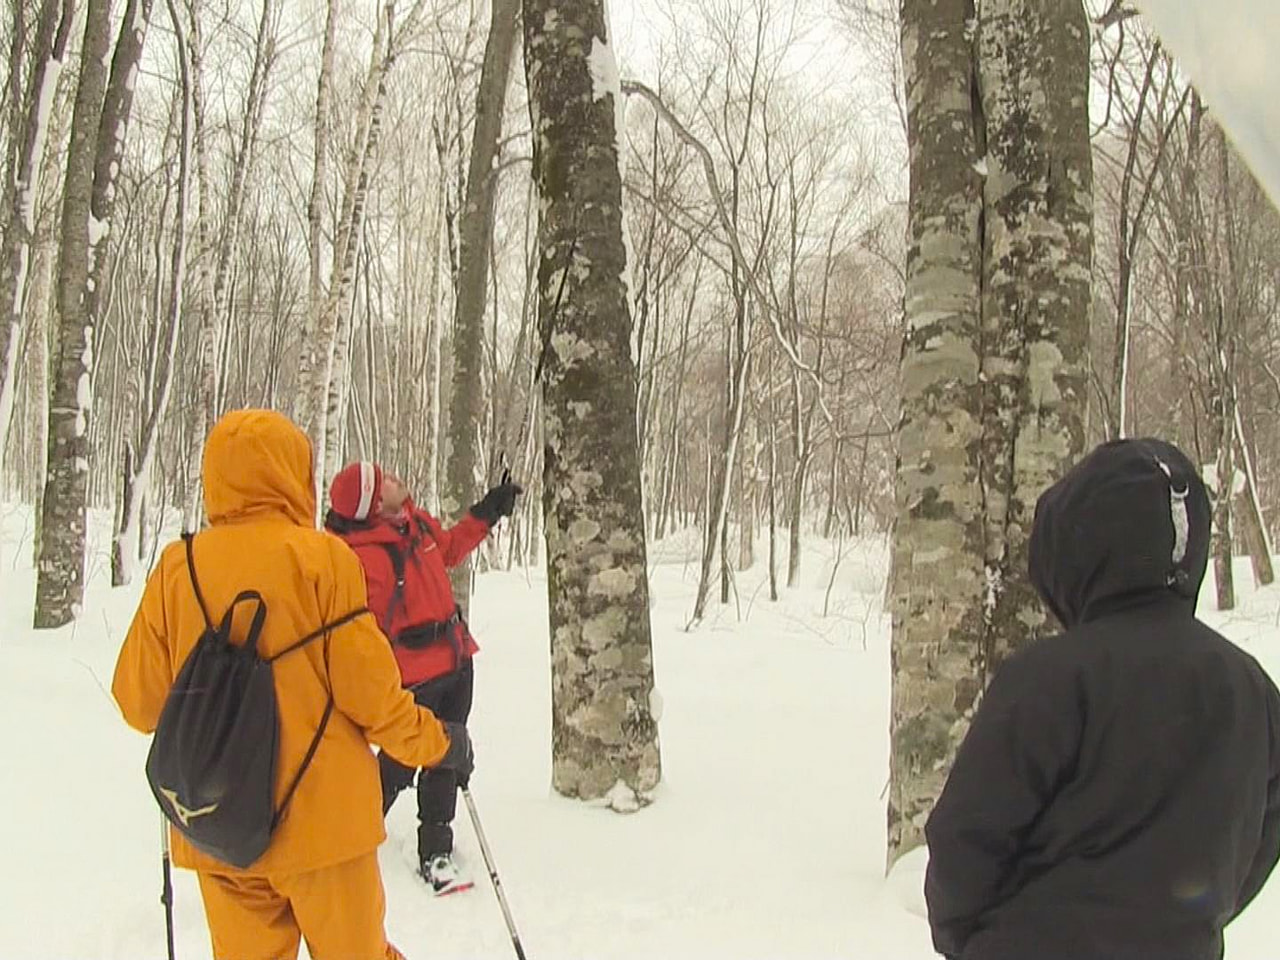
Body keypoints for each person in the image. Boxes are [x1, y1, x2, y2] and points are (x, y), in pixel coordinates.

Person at [113, 409, 472, 960]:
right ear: (292, 474)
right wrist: (441, 744)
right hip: (324, 835)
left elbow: (138, 704)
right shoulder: (322, 561)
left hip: (220, 827)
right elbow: (374, 700)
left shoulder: (177, 566)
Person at [924, 437, 1280, 960]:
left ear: (1073, 549)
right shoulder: (1250, 689)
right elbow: (1257, 840)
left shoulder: (1049, 679)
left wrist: (976, 940)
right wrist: (1184, 919)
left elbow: (966, 841)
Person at [324, 459, 521, 894]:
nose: (395, 476)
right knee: (399, 761)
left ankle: (436, 852)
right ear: (374, 504)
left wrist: (489, 511)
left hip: (456, 660)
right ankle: (348, 833)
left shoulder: (418, 524)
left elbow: (451, 548)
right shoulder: (354, 557)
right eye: (384, 481)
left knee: (445, 756)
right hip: (411, 675)